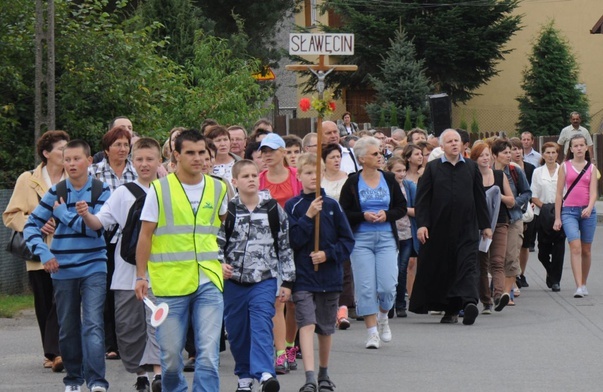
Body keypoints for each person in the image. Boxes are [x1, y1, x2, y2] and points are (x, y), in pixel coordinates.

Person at [135, 130, 227, 392]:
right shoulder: (159, 189)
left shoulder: (219, 188)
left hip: (209, 280)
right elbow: (145, 235)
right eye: (190, 153)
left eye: (202, 153)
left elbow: (219, 227)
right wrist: (141, 276)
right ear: (176, 155)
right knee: (171, 357)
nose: (198, 158)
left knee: (208, 354)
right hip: (169, 284)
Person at [24, 139, 112, 392]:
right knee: (68, 327)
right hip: (62, 268)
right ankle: (73, 379)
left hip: (94, 266)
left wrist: (63, 215)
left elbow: (96, 231)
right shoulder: (56, 192)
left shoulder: (101, 191)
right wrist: (43, 253)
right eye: (67, 159)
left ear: (89, 161)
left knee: (94, 324)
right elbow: (31, 226)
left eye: (76, 159)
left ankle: (97, 382)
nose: (71, 163)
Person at [76, 138, 163, 391]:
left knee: (156, 322)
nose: (144, 164)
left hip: (161, 271)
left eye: (149, 159)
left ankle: (158, 373)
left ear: (160, 161)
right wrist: (85, 215)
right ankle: (140, 375)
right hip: (126, 271)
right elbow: (99, 222)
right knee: (128, 326)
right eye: (139, 159)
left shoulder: (168, 190)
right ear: (132, 162)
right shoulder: (123, 193)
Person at [219, 159, 295, 392]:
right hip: (233, 282)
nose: (251, 179)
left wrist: (288, 281)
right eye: (245, 176)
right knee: (237, 330)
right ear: (235, 181)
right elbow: (215, 244)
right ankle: (244, 376)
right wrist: (219, 264)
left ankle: (264, 373)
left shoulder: (272, 208)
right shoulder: (226, 210)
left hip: (264, 279)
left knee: (262, 323)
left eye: (254, 175)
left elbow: (284, 245)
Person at [286, 153, 355, 392]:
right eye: (307, 173)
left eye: (316, 173)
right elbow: (292, 240)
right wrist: (308, 216)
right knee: (306, 323)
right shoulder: (293, 206)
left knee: (325, 328)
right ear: (299, 176)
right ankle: (309, 377)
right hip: (303, 277)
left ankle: (324, 373)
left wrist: (328, 254)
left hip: (329, 277)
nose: (312, 178)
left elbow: (347, 240)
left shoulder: (333, 206)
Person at [409, 129, 492, 325]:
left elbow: (480, 198)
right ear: (442, 146)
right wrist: (422, 225)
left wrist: (485, 225)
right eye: (450, 141)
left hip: (467, 227)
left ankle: (470, 303)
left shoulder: (471, 168)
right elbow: (423, 200)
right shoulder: (433, 168)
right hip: (440, 229)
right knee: (446, 269)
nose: (454, 144)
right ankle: (450, 310)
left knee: (468, 265)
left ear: (463, 145)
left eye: (457, 141)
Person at [3, 130, 69, 372]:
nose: (66, 153)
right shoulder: (27, 179)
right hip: (38, 252)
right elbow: (11, 215)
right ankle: (50, 353)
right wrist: (37, 223)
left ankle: (59, 351)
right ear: (46, 153)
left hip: (68, 250)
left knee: (61, 300)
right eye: (61, 149)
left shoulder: (73, 178)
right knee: (44, 303)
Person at [339, 137, 406, 348]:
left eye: (380, 153)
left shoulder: (388, 179)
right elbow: (345, 211)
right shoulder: (352, 182)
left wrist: (387, 215)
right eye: (375, 154)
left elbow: (401, 207)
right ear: (361, 159)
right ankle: (371, 332)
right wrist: (363, 216)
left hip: (386, 237)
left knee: (388, 286)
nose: (380, 157)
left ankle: (383, 317)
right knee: (366, 287)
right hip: (361, 240)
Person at [90, 125, 138, 361]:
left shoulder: (137, 172)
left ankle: (130, 338)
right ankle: (111, 343)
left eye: (126, 144)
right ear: (107, 149)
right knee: (107, 290)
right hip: (103, 237)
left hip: (131, 240)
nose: (122, 149)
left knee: (127, 290)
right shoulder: (94, 172)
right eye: (117, 144)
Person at [258, 133, 303, 374]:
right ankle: (279, 353)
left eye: (272, 150)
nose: (267, 155)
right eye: (264, 151)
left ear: (283, 152)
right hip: (269, 247)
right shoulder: (259, 179)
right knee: (278, 300)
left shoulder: (296, 177)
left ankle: (289, 345)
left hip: (295, 244)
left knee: (294, 302)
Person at [470, 142, 514, 314]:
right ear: (475, 159)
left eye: (488, 155)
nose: (486, 158)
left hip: (500, 222)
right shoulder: (471, 177)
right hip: (479, 224)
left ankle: (498, 296)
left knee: (497, 261)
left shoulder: (499, 175)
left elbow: (511, 201)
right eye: (482, 155)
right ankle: (486, 301)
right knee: (481, 263)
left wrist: (497, 194)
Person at [553, 134, 598, 298]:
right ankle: (578, 286)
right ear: (571, 149)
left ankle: (584, 283)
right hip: (569, 211)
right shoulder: (564, 167)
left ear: (586, 148)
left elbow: (593, 192)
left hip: (587, 211)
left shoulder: (592, 168)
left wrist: (590, 207)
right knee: (575, 246)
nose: (579, 148)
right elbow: (558, 194)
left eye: (581, 145)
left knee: (586, 249)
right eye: (576, 146)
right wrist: (557, 217)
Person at [492, 138, 531, 307]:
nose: (509, 155)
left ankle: (506, 294)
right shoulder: (486, 172)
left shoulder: (515, 171)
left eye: (510, 152)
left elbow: (527, 192)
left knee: (511, 257)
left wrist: (514, 202)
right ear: (495, 155)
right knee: (495, 259)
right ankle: (497, 290)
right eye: (505, 153)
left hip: (513, 219)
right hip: (492, 220)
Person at [321, 143, 354, 327]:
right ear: (324, 160)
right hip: (324, 228)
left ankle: (343, 310)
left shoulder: (348, 179)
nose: (336, 160)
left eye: (338, 156)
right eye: (332, 157)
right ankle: (328, 309)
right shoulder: (319, 178)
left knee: (345, 269)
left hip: (342, 226)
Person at [386, 157, 418, 318]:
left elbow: (417, 209)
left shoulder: (409, 186)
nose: (401, 174)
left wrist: (402, 209)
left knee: (402, 268)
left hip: (406, 233)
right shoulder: (386, 187)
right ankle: (388, 304)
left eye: (403, 170)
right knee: (391, 270)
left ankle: (400, 304)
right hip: (390, 233)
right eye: (397, 171)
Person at [531, 142, 565, 292]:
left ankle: (556, 280)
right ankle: (550, 270)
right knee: (543, 251)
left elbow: (567, 192)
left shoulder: (563, 170)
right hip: (543, 212)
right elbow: (534, 195)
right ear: (543, 155)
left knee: (559, 248)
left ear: (557, 154)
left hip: (560, 212)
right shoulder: (538, 172)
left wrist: (558, 209)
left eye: (553, 152)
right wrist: (545, 208)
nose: (551, 156)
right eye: (548, 153)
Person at [510, 137, 536, 289]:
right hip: (514, 210)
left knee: (525, 244)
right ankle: (514, 273)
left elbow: (532, 188)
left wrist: (531, 201)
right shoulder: (508, 169)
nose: (517, 151)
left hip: (528, 210)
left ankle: (521, 274)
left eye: (519, 148)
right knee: (514, 244)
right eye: (514, 149)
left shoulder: (530, 168)